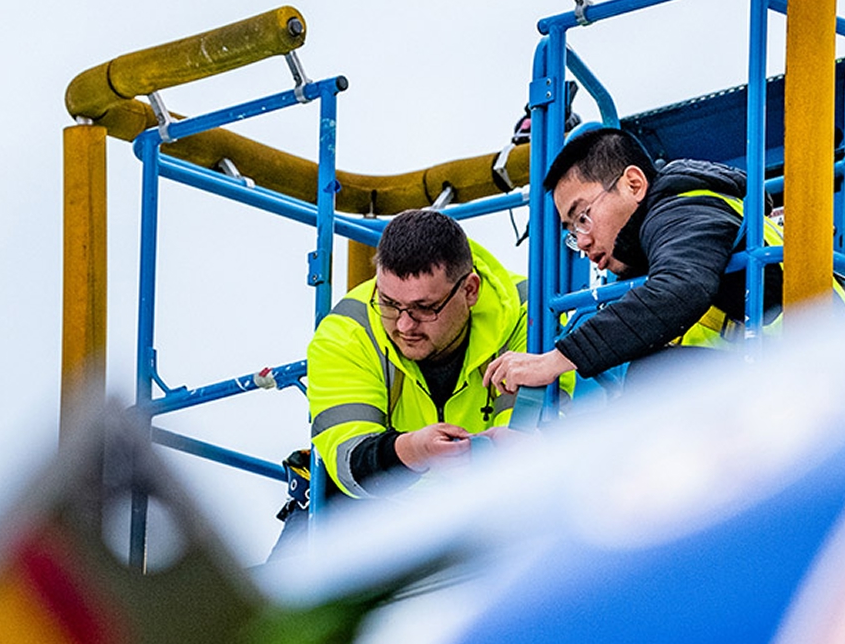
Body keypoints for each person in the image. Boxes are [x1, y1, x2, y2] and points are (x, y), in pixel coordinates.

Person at [483, 127, 817, 393]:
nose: (582, 241)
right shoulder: (663, 241)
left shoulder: (682, 209)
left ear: (633, 184)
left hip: (818, 368)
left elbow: (680, 289)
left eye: (583, 216)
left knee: (654, 378)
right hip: (803, 370)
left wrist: (557, 359)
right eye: (571, 231)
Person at [306, 209, 528, 503]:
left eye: (425, 307)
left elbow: (528, 445)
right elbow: (349, 462)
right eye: (388, 303)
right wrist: (415, 450)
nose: (404, 325)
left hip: (500, 504)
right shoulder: (345, 334)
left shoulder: (528, 311)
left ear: (470, 290)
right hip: (383, 513)